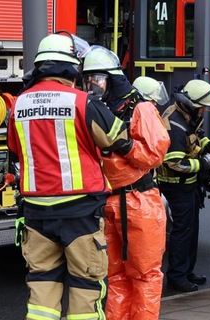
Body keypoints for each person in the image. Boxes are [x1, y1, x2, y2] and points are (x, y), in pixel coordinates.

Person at [8, 33, 134, 320]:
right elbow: (117, 138)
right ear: (71, 68)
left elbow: (15, 148)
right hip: (80, 211)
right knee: (85, 287)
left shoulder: (18, 105)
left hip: (37, 212)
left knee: (42, 287)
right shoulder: (82, 102)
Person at [81, 48, 171, 320]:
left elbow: (154, 155)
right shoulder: (99, 109)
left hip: (139, 201)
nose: (93, 86)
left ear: (113, 78)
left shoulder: (140, 107)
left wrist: (125, 145)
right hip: (109, 201)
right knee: (116, 275)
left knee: (144, 275)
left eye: (97, 79)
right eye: (88, 81)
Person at [158, 79, 210, 292]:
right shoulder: (175, 125)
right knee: (182, 231)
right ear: (192, 104)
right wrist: (203, 163)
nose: (205, 109)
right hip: (177, 185)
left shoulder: (186, 115)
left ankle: (187, 271)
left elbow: (196, 137)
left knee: (191, 229)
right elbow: (175, 162)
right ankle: (177, 276)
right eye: (203, 105)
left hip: (188, 185)